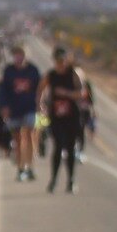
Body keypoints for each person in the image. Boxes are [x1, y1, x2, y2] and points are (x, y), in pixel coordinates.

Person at [41, 46, 87, 193]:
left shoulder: (74, 73)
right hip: (56, 117)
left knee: (70, 148)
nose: (60, 63)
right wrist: (41, 105)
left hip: (72, 116)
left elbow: (81, 93)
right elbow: (40, 89)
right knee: (58, 147)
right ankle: (53, 180)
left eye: (62, 60)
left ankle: (71, 181)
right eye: (58, 60)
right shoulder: (51, 75)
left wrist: (66, 93)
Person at [0, 43, 41, 181]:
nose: (18, 58)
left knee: (30, 135)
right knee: (18, 138)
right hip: (14, 109)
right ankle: (21, 168)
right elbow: (3, 90)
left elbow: (40, 89)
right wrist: (4, 106)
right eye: (16, 55)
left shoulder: (33, 70)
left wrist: (41, 104)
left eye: (21, 54)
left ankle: (31, 166)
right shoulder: (9, 71)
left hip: (30, 108)